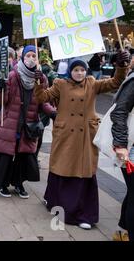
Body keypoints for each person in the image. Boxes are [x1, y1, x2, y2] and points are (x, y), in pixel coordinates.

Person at [34, 49, 131, 230]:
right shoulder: (60, 84)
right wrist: (39, 82)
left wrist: (121, 65)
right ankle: (60, 207)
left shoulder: (92, 83)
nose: (80, 73)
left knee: (84, 172)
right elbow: (41, 97)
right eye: (76, 69)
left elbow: (116, 82)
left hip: (86, 136)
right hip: (65, 136)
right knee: (62, 170)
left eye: (82, 70)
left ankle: (85, 214)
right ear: (70, 71)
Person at [0, 45, 55, 199]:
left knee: (24, 156)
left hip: (29, 124)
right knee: (6, 156)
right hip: (11, 122)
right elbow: (2, 101)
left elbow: (43, 101)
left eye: (34, 56)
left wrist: (53, 112)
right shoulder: (13, 75)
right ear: (22, 57)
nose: (31, 59)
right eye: (28, 56)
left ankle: (19, 184)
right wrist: (2, 88)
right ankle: (2, 184)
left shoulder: (41, 79)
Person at [111, 55, 134, 241]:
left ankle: (122, 231)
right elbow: (119, 112)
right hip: (131, 149)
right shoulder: (133, 81)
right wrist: (121, 145)